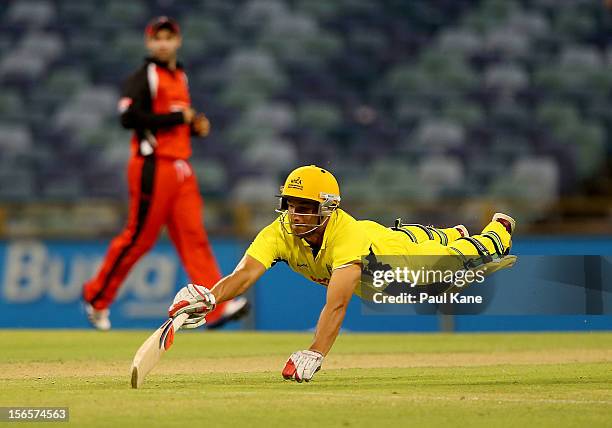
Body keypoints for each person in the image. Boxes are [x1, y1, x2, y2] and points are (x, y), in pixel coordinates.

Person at [167, 165, 517, 382]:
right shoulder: (279, 230)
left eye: (306, 208)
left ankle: (495, 233)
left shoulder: (344, 235)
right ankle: (447, 233)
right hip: (376, 255)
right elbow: (245, 274)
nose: (296, 215)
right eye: (291, 205)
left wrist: (316, 352)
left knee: (442, 270)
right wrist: (211, 297)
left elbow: (336, 305)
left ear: (329, 208)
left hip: (391, 262)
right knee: (419, 255)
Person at [82, 16, 249, 330]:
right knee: (139, 238)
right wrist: (177, 118)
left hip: (181, 167)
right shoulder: (144, 76)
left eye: (168, 37)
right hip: (153, 165)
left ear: (178, 41)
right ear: (149, 43)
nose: (163, 43)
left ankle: (215, 306)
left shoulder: (180, 76)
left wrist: (193, 126)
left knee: (194, 238)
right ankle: (96, 298)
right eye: (157, 38)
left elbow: (173, 122)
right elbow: (129, 117)